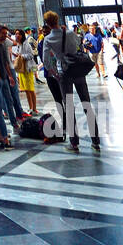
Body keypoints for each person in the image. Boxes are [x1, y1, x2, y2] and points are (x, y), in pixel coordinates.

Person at [42, 10, 99, 152]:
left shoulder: (48, 39)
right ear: (57, 20)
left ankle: (74, 143)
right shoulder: (69, 33)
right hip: (78, 70)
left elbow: (46, 62)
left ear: (47, 24)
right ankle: (96, 141)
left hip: (64, 73)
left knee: (69, 107)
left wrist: (55, 73)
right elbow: (79, 43)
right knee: (87, 104)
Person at [12, 29, 38, 115]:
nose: (17, 35)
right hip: (22, 70)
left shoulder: (26, 44)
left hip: (28, 69)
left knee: (30, 89)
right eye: (16, 34)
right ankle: (30, 107)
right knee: (26, 90)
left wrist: (21, 56)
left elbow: (31, 55)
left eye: (18, 34)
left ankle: (34, 108)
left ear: (22, 35)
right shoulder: (19, 45)